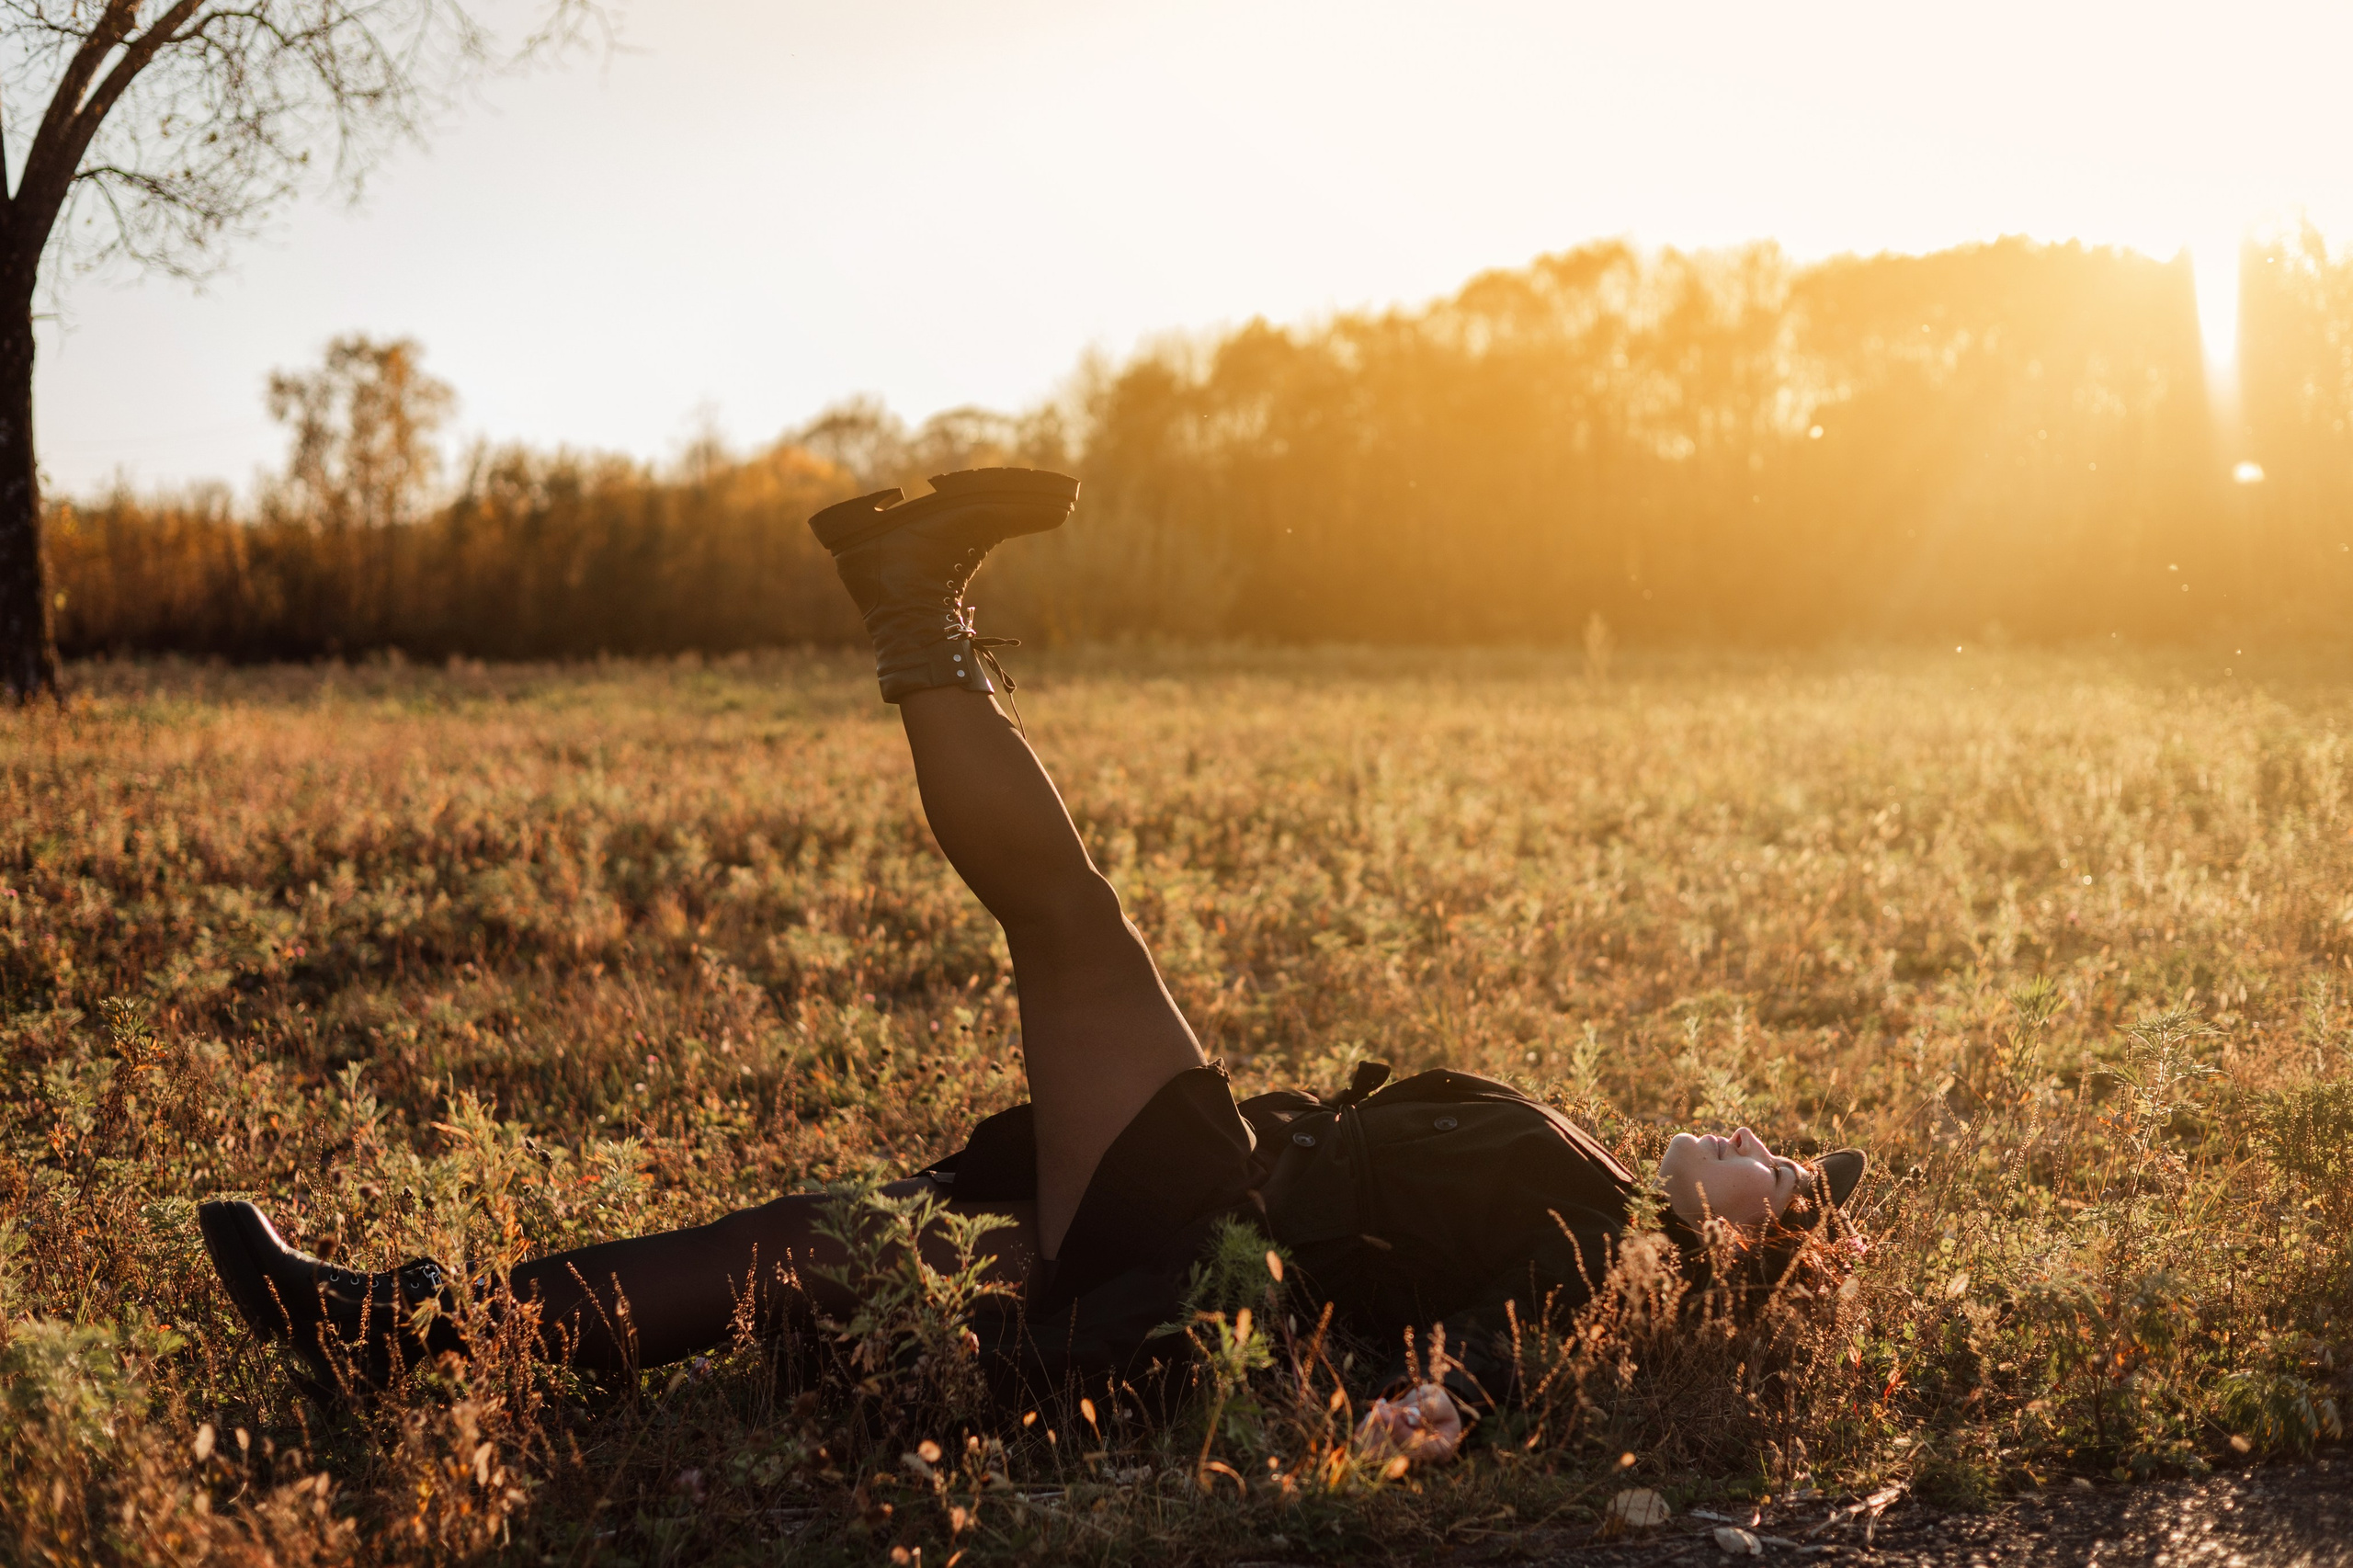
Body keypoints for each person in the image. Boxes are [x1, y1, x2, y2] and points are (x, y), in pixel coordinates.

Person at [198, 468, 1865, 1413]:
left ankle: (915, 604)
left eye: (1778, 1175)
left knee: (1070, 922)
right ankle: (394, 1331)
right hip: (1173, 1234)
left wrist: (1419, 1412)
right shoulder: (1595, 1198)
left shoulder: (1599, 1259)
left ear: (1741, 1250)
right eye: (1787, 1142)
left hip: (1210, 1224)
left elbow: (1477, 1374)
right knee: (794, 1247)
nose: (1756, 1134)